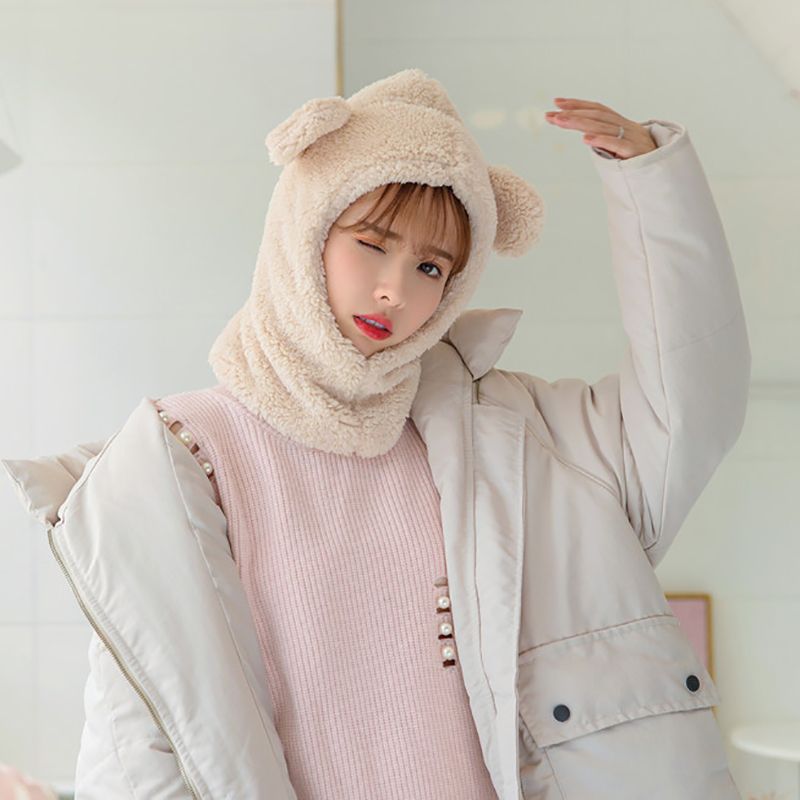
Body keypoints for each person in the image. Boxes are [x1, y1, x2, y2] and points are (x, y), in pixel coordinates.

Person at [2, 69, 750, 799]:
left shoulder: (515, 437)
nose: (396, 290)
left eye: (431, 266)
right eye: (371, 242)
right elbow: (139, 751)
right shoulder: (183, 454)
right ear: (306, 228)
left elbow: (687, 411)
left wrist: (654, 188)